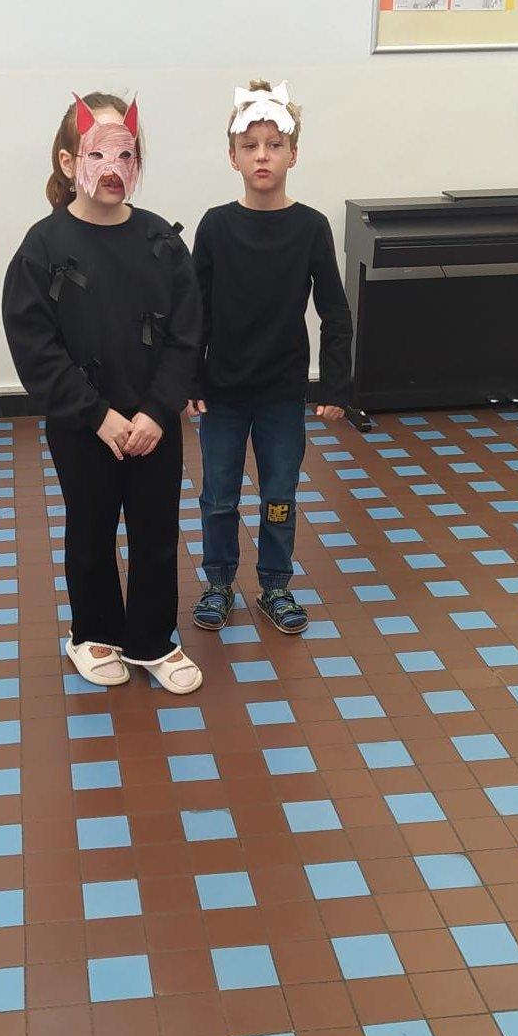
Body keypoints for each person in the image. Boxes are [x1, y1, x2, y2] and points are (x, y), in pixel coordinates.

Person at [2, 92, 203, 693]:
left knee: (155, 528)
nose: (114, 168)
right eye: (98, 153)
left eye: (127, 154)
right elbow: (35, 345)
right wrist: (98, 415)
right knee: (90, 528)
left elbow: (187, 333)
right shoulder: (42, 247)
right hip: (83, 424)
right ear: (69, 162)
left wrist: (158, 411)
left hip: (153, 424)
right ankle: (92, 633)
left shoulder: (162, 242)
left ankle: (152, 638)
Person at [188, 79, 353, 635]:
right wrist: (190, 379)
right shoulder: (215, 226)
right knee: (218, 497)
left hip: (283, 393)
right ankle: (218, 583)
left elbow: (335, 311)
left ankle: (276, 585)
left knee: (279, 495)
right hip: (223, 392)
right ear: (232, 156)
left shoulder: (311, 227)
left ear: (294, 154)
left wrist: (334, 385)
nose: (263, 155)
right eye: (251, 145)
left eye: (275, 145)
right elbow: (195, 311)